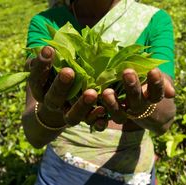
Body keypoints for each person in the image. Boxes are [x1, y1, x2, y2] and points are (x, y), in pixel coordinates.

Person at [22, 0, 176, 184]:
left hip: (132, 173)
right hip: (61, 171)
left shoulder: (153, 20)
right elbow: (34, 134)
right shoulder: (46, 23)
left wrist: (144, 104)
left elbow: (165, 120)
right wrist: (54, 106)